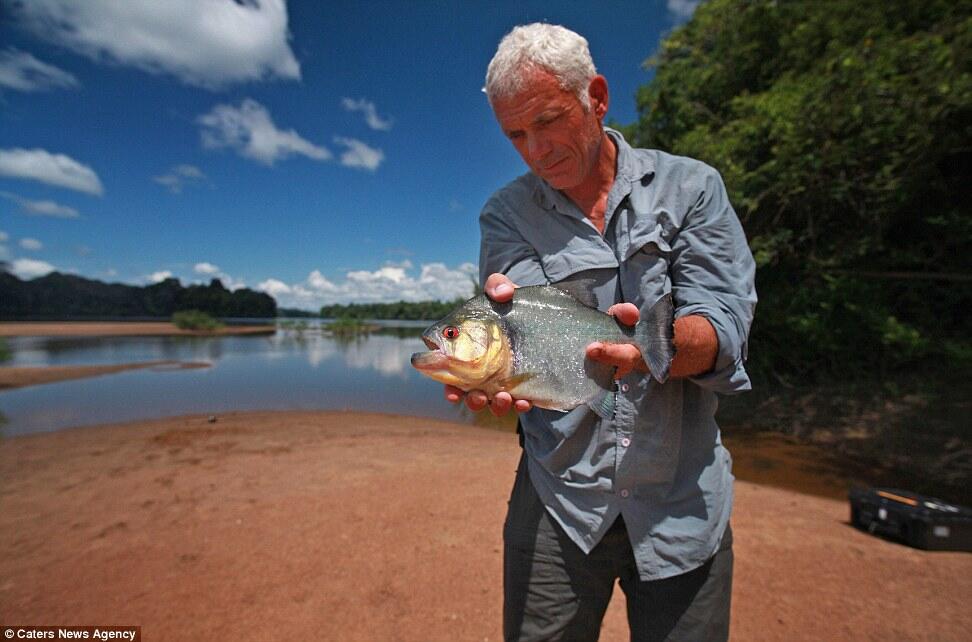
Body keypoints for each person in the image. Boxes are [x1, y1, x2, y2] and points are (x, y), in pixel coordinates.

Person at [447, 23, 757, 641]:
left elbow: (724, 323)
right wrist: (494, 366)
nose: (535, 149)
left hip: (683, 502)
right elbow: (526, 328)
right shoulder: (505, 215)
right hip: (559, 496)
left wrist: (657, 350)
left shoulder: (694, 188)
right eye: (515, 134)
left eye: (549, 120)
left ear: (597, 96)